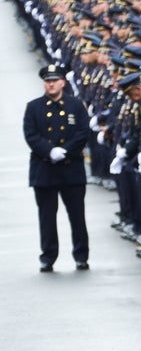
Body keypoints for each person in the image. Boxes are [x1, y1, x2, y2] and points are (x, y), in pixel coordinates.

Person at [23, 64, 90, 272]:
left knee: (77, 216)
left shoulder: (75, 105)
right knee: (47, 217)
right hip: (45, 169)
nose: (51, 84)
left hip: (71, 169)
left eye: (54, 80)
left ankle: (81, 255)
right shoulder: (34, 107)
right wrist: (49, 151)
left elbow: (82, 132)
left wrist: (66, 151)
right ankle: (48, 256)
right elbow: (31, 134)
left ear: (63, 82)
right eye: (47, 81)